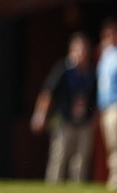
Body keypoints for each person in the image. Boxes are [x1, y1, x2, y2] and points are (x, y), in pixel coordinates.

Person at [31, 30, 97, 184]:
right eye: (79, 49)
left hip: (84, 122)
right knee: (59, 157)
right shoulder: (63, 69)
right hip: (64, 121)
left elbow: (94, 98)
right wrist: (40, 115)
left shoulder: (91, 72)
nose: (82, 53)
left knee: (81, 160)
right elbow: (47, 92)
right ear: (72, 50)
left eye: (85, 49)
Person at [98, 18, 117, 191]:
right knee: (111, 146)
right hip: (105, 109)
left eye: (110, 34)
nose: (107, 37)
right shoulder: (104, 57)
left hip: (115, 107)